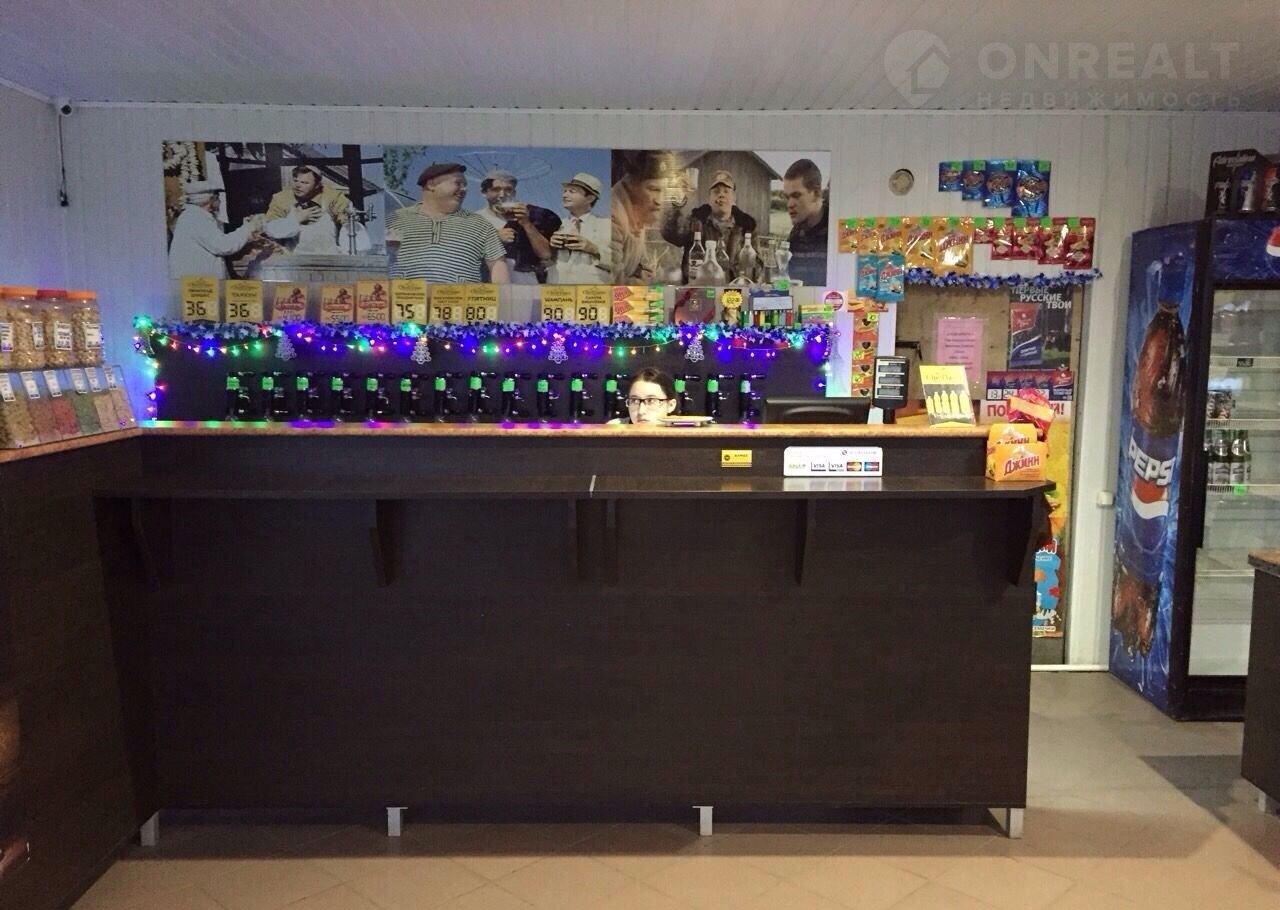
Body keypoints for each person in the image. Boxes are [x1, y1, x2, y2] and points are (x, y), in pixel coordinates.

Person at [387, 163, 509, 283]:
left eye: (465, 185)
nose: (464, 189)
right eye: (458, 183)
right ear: (431, 185)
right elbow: (379, 261)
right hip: (406, 295)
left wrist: (504, 293)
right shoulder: (396, 219)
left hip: (460, 296)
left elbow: (497, 264)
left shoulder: (479, 224)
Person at [661, 169, 757, 283]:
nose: (721, 195)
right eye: (716, 191)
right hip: (698, 288)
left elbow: (758, 267)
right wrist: (677, 199)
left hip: (734, 290)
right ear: (709, 198)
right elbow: (670, 234)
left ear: (734, 197)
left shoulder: (747, 226)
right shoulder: (695, 222)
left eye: (726, 191)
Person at [472, 169, 560, 285]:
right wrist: (494, 238)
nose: (502, 195)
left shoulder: (528, 215)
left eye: (508, 189)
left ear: (514, 193)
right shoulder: (475, 219)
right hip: (490, 282)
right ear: (484, 192)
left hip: (525, 282)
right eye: (496, 189)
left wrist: (527, 223)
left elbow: (545, 254)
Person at [611, 151, 680, 284]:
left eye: (663, 191)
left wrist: (640, 271)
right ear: (632, 184)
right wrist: (643, 285)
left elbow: (631, 259)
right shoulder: (614, 217)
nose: (659, 201)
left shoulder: (638, 207)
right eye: (653, 189)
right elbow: (610, 284)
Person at [167, 181, 261, 278]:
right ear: (210, 200)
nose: (220, 202)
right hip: (194, 282)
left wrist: (245, 231)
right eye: (217, 198)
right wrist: (248, 228)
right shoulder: (196, 218)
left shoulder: (195, 215)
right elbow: (223, 246)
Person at [262, 164, 351, 255]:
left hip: (329, 258)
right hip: (294, 259)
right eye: (295, 181)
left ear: (317, 185)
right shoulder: (282, 198)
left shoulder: (333, 196)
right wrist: (296, 220)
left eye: (304, 183)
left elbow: (350, 225)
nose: (298, 186)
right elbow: (271, 230)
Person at [548, 172, 611, 284]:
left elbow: (624, 264)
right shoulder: (554, 224)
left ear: (590, 198)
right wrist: (550, 247)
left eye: (572, 191)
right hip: (558, 290)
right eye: (565, 191)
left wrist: (594, 249)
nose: (564, 195)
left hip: (592, 291)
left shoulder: (607, 225)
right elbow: (542, 261)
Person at [782, 158, 829, 287]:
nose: (790, 204)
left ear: (816, 194)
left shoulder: (836, 230)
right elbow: (789, 283)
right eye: (787, 197)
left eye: (796, 196)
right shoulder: (795, 235)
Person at [609, 367, 678, 425]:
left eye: (651, 401)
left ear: (671, 405)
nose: (641, 411)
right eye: (634, 400)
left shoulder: (682, 433)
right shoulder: (614, 429)